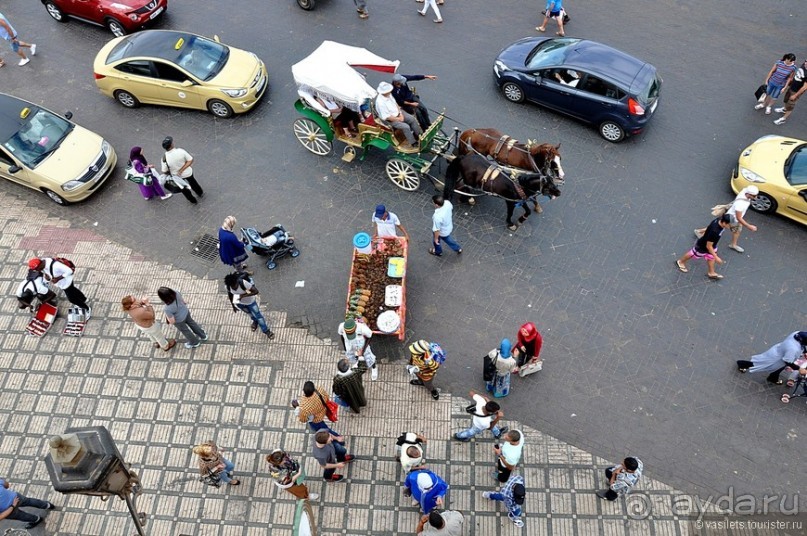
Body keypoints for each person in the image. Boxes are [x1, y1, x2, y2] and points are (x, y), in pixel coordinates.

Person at [736, 331, 807, 385]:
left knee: (780, 368)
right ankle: (741, 364)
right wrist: (799, 368)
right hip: (776, 359)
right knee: (758, 364)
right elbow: (787, 361)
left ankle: (773, 378)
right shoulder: (793, 349)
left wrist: (805, 352)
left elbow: (802, 346)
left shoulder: (797, 333)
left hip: (779, 351)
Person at [675, 214, 731, 280]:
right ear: (724, 223)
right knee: (693, 253)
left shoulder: (719, 220)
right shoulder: (715, 232)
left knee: (711, 257)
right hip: (703, 246)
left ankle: (711, 272)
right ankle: (681, 262)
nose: (730, 227)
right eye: (729, 225)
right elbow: (708, 246)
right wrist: (716, 257)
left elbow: (709, 227)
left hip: (712, 245)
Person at [224, 272, 274, 339]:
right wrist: (233, 305)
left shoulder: (243, 283)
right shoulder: (228, 286)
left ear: (237, 281)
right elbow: (230, 295)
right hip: (240, 303)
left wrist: (243, 296)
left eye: (235, 285)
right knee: (249, 313)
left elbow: (255, 291)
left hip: (251, 302)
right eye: (232, 286)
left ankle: (266, 331)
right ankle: (255, 322)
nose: (234, 288)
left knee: (258, 316)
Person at [375, 82, 422, 148]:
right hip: (391, 120)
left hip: (398, 113)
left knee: (412, 119)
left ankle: (419, 135)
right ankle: (413, 142)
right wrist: (399, 119)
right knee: (405, 127)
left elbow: (396, 104)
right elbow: (387, 117)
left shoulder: (389, 95)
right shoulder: (380, 102)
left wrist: (400, 113)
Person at [161, 136, 204, 204]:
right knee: (193, 182)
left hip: (177, 177)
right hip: (187, 173)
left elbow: (164, 171)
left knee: (183, 189)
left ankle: (192, 200)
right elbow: (190, 160)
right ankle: (199, 192)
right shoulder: (180, 151)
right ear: (171, 145)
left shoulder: (164, 158)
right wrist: (181, 170)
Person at [724, 186, 759, 253]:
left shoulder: (744, 191)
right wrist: (749, 226)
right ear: (749, 194)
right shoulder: (740, 204)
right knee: (722, 227)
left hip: (730, 216)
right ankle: (733, 245)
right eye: (754, 196)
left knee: (721, 226)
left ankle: (702, 232)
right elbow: (738, 218)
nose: (756, 197)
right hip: (733, 219)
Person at [774, 59, 807, 126]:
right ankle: (784, 109)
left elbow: (805, 87)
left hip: (796, 91)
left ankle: (783, 119)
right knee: (786, 100)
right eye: (806, 61)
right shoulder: (803, 65)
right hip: (791, 87)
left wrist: (795, 95)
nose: (806, 63)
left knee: (790, 105)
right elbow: (798, 73)